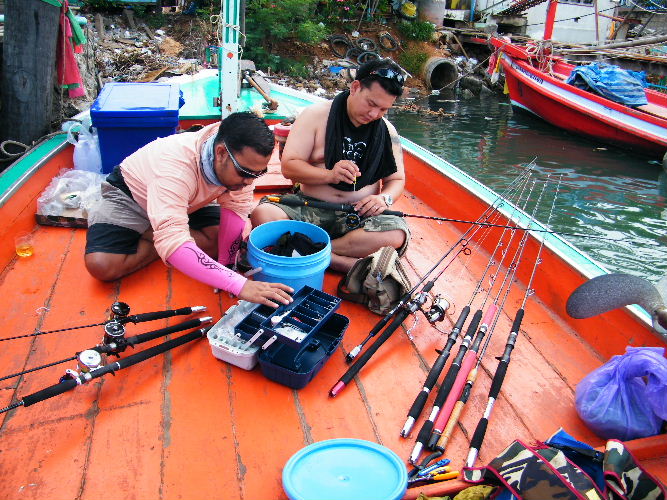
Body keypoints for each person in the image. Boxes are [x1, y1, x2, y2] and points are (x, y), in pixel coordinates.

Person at [84, 111, 293, 307]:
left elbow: (236, 208)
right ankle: (161, 233)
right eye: (244, 172)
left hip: (192, 201)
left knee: (217, 242)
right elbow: (174, 240)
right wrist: (240, 285)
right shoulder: (175, 167)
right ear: (220, 153)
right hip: (131, 196)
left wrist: (228, 267)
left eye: (258, 174)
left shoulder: (238, 163)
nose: (249, 182)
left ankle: (159, 232)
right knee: (102, 264)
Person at [250, 59, 410, 272]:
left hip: (359, 215)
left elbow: (396, 180)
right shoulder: (315, 116)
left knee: (396, 233)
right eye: (371, 104)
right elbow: (289, 167)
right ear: (355, 87)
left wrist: (384, 198)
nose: (374, 115)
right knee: (265, 215)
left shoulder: (387, 131)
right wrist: (329, 175)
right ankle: (340, 262)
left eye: (383, 109)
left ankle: (309, 250)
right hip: (311, 207)